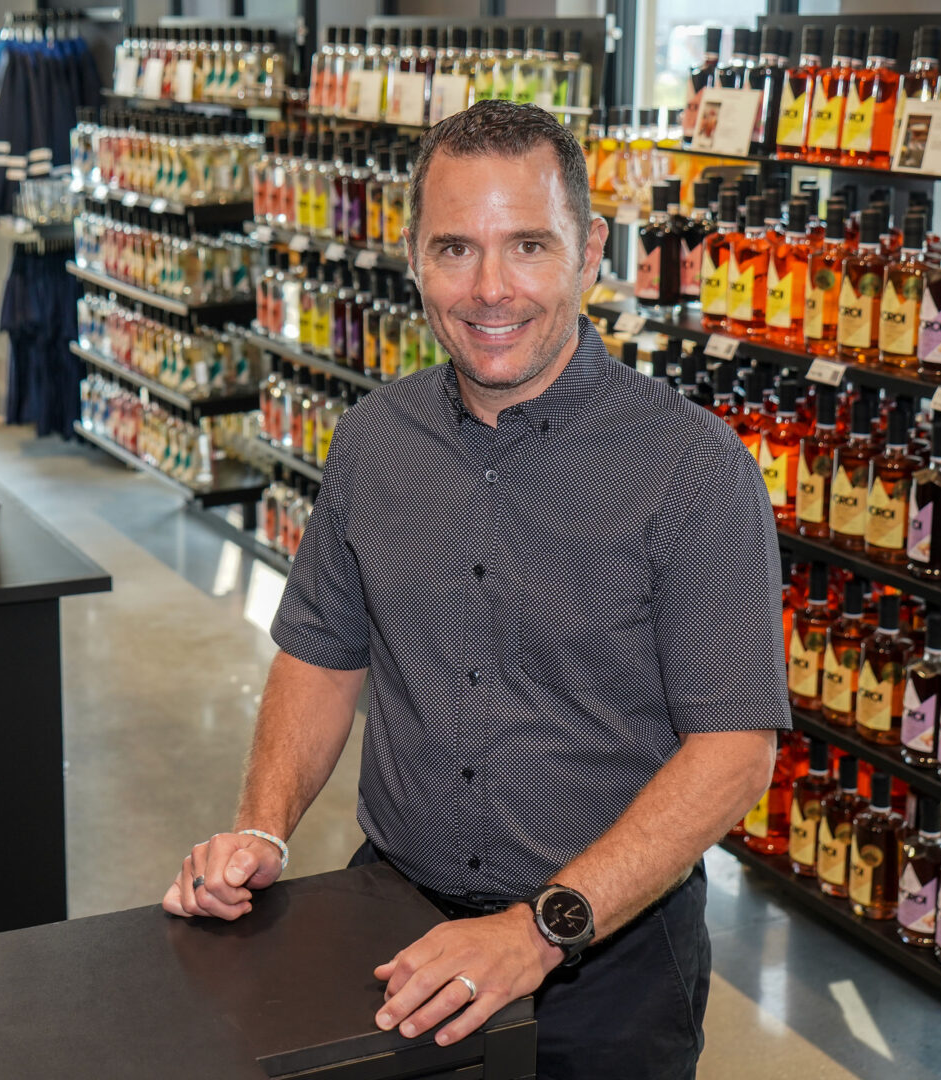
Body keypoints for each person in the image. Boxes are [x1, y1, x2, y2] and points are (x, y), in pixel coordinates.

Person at [163, 99, 790, 1079]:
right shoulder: (374, 441)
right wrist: (261, 823)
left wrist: (539, 932)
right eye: (455, 249)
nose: (490, 288)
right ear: (411, 259)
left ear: (590, 259)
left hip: (609, 967)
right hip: (394, 934)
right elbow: (322, 652)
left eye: (529, 246)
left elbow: (734, 754)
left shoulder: (691, 470)